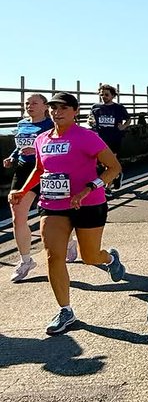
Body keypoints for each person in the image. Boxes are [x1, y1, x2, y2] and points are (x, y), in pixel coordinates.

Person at [8, 92, 125, 334]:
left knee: (90, 256)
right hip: (52, 205)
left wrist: (89, 188)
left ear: (75, 111)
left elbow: (114, 167)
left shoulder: (87, 137)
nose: (56, 112)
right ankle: (66, 311)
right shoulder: (42, 139)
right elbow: (41, 170)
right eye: (53, 108)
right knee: (53, 256)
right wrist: (23, 190)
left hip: (89, 204)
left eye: (62, 108)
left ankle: (110, 258)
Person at [4, 93, 54, 282]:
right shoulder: (21, 124)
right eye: (27, 103)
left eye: (34, 103)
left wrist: (36, 150)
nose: (29, 106)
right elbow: (20, 146)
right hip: (25, 170)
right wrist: (13, 157)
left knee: (51, 216)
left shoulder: (50, 125)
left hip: (47, 170)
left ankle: (69, 243)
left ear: (45, 106)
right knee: (17, 215)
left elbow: (57, 143)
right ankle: (26, 260)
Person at [89, 85, 130, 191]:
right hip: (99, 139)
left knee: (110, 163)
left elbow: (128, 119)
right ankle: (117, 174)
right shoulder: (96, 107)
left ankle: (108, 188)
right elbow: (91, 119)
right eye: (101, 94)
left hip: (114, 138)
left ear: (113, 95)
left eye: (106, 94)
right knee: (101, 163)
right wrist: (90, 122)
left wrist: (123, 126)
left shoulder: (118, 108)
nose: (104, 96)